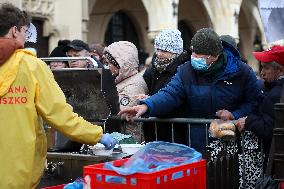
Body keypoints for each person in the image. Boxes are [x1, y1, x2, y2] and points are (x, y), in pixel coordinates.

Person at [0, 3, 116, 188]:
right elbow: (59, 115)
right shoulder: (32, 67)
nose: (25, 36)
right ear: (14, 31)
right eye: (24, 30)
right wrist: (96, 135)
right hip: (17, 166)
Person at [119, 28, 261, 154]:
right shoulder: (186, 70)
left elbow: (254, 101)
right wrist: (146, 105)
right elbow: (170, 93)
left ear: (215, 56)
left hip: (232, 142)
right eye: (193, 53)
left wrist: (234, 114)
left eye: (200, 55)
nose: (194, 58)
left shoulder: (242, 72)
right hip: (196, 142)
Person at [138, 28, 190, 144]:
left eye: (165, 51)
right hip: (154, 129)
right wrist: (146, 97)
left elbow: (174, 97)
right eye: (158, 49)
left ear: (175, 52)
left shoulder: (183, 70)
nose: (159, 54)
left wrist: (151, 101)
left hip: (175, 131)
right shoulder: (152, 69)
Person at [236, 45, 284, 156]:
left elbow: (268, 129)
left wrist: (248, 121)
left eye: (266, 68)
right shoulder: (273, 90)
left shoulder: (276, 95)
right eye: (262, 67)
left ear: (281, 70)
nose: (262, 73)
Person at [103, 41, 148, 142]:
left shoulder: (134, 84)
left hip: (128, 139)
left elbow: (120, 111)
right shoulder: (121, 80)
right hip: (120, 136)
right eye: (105, 63)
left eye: (109, 63)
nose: (107, 67)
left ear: (121, 64)